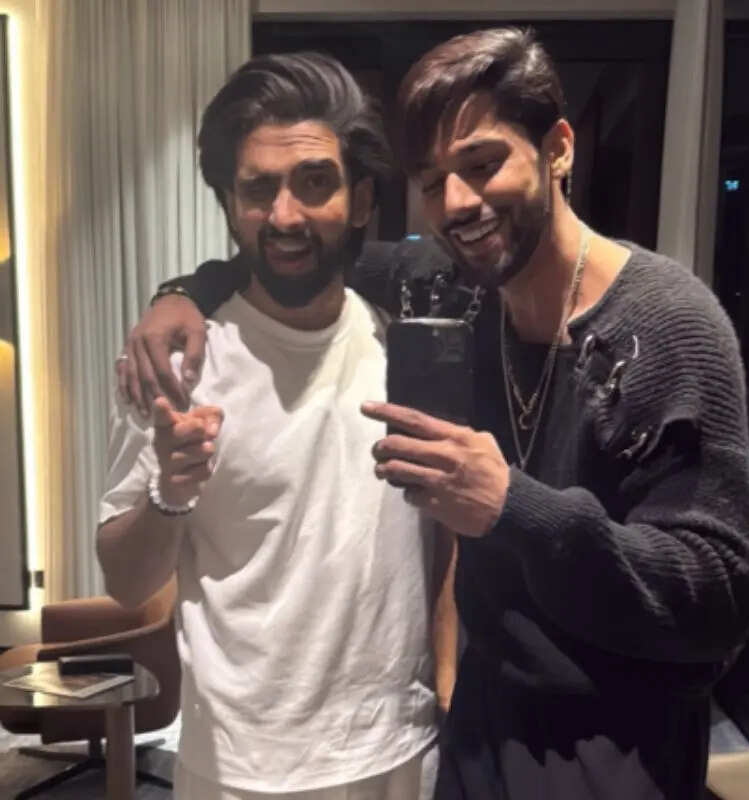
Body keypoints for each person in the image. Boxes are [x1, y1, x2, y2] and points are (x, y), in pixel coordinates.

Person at [117, 28, 749, 800]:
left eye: (483, 164)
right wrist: (183, 293)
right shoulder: (454, 292)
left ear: (558, 149)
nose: (458, 202)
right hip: (473, 743)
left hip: (621, 747)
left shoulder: (669, 323)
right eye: (433, 181)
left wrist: (515, 506)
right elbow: (298, 249)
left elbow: (722, 596)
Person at [98, 51, 453, 800]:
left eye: (315, 182)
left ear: (361, 200)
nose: (286, 216)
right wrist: (170, 493)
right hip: (237, 767)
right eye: (258, 189)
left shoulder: (408, 346)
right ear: (230, 205)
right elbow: (126, 583)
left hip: (397, 749)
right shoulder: (175, 363)